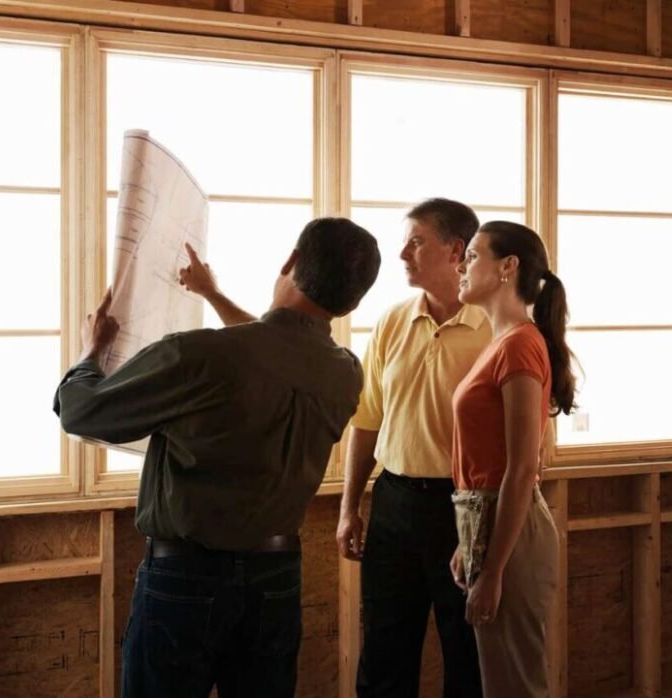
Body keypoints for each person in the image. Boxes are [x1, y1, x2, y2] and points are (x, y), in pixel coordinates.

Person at [53, 217, 381, 698]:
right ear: (352, 302)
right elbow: (280, 349)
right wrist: (213, 294)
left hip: (186, 575)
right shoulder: (345, 374)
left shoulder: (201, 355)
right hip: (278, 579)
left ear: (289, 261)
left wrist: (90, 352)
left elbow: (81, 412)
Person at [337, 198, 490, 697]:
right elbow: (365, 422)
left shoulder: (496, 328)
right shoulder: (391, 322)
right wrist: (349, 508)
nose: (401, 252)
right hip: (395, 503)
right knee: (384, 649)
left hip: (464, 509)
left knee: (466, 650)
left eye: (416, 241)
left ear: (456, 251)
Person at [450, 220, 577, 698]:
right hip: (490, 519)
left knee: (515, 685)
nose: (462, 266)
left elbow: (522, 468)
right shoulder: (502, 343)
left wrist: (495, 567)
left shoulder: (521, 344)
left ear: (508, 267)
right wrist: (470, 544)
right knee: (500, 680)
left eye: (474, 255)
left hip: (513, 529)